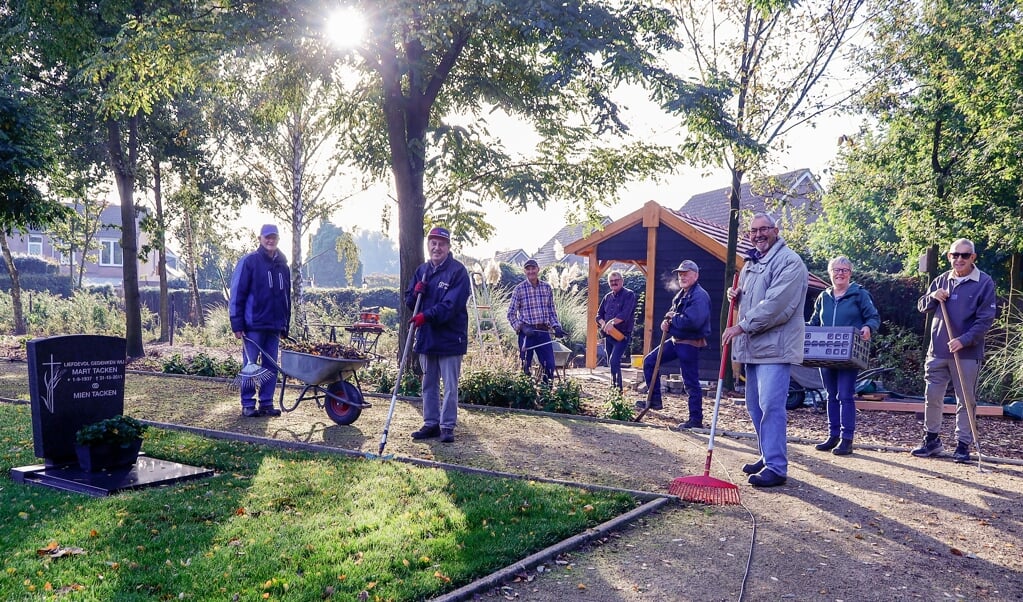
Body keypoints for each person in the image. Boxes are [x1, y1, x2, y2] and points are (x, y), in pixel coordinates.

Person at [722, 213, 807, 488]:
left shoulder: (790, 262)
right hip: (754, 347)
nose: (758, 234)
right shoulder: (751, 264)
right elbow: (752, 299)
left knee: (771, 406)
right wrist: (735, 297)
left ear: (776, 231)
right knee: (754, 407)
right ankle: (766, 454)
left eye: (763, 229)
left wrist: (741, 326)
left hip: (776, 347)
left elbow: (776, 306)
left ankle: (777, 467)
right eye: (753, 231)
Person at [912, 239, 996, 463]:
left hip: (966, 354)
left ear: (973, 258)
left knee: (966, 400)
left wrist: (964, 340)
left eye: (964, 255)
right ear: (949, 257)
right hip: (937, 351)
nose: (959, 259)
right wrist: (932, 297)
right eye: (954, 255)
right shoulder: (941, 280)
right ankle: (931, 441)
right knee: (932, 397)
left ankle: (962, 446)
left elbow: (985, 320)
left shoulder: (984, 282)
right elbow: (922, 306)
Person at [807, 256, 880, 456]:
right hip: (825, 353)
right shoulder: (824, 297)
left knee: (845, 395)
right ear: (830, 273)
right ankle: (833, 436)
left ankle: (846, 439)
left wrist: (868, 327)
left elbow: (873, 317)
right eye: (836, 270)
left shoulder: (859, 295)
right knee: (830, 395)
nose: (840, 273)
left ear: (850, 273)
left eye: (844, 270)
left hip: (849, 352)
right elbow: (814, 321)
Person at [405, 226, 471, 444]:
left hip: (451, 338)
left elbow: (450, 306)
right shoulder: (422, 271)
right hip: (427, 338)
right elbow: (410, 302)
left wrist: (426, 316)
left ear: (448, 247)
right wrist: (416, 293)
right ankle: (431, 422)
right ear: (428, 246)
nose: (436, 247)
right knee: (429, 383)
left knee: (450, 385)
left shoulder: (458, 272)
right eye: (433, 243)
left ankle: (447, 426)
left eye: (441, 243)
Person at [637, 260, 711, 427]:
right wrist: (666, 322)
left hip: (690, 343)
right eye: (680, 274)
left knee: (690, 381)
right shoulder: (682, 294)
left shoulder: (699, 296)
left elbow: (692, 322)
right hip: (676, 340)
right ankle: (654, 400)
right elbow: (671, 314)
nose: (682, 276)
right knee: (650, 361)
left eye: (686, 273)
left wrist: (672, 319)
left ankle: (696, 420)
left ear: (696, 275)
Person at [230, 224, 291, 418]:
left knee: (271, 367)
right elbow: (237, 293)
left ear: (278, 239)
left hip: (274, 327)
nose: (270, 240)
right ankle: (248, 404)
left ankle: (266, 403)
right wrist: (237, 323)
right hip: (252, 326)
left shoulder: (283, 266)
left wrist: (285, 325)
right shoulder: (249, 262)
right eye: (267, 237)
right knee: (250, 365)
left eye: (274, 237)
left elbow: (286, 298)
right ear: (260, 238)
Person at [507, 258, 566, 382]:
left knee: (549, 365)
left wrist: (556, 326)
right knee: (525, 367)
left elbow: (551, 311)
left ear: (538, 269)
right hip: (527, 334)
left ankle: (546, 395)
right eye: (528, 269)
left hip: (543, 332)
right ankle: (527, 396)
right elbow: (511, 314)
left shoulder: (546, 288)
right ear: (524, 271)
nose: (531, 271)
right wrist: (522, 327)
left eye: (533, 268)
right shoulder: (519, 289)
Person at [596, 270, 637, 392]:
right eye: (611, 281)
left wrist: (612, 322)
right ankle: (614, 387)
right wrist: (603, 323)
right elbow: (598, 315)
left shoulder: (629, 295)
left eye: (616, 280)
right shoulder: (607, 297)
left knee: (614, 360)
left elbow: (625, 314)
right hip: (609, 336)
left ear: (622, 281)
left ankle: (617, 391)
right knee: (611, 362)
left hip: (622, 336)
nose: (614, 283)